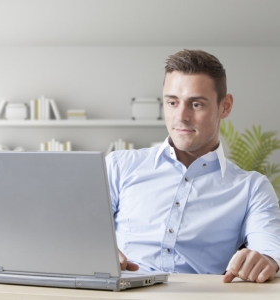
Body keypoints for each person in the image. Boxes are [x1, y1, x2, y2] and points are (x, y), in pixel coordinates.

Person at [105, 49, 280, 283]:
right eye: (172, 102)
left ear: (225, 106)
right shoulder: (119, 166)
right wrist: (95, 253)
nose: (181, 116)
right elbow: (76, 231)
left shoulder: (252, 188)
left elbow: (269, 249)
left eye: (196, 104)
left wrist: (265, 260)